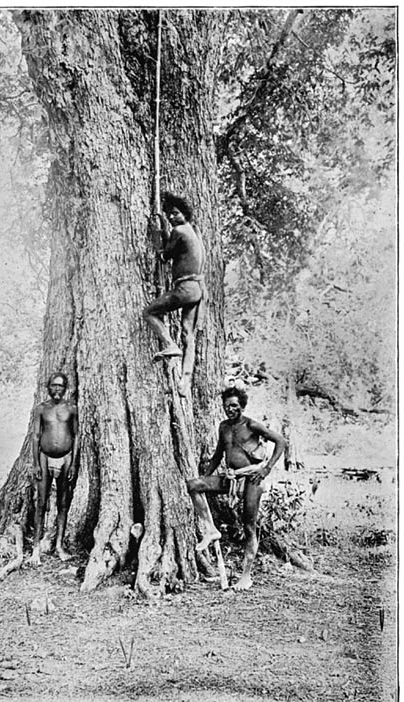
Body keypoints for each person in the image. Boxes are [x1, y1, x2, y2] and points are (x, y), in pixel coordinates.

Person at [188, 387, 286, 591]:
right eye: (226, 406)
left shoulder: (251, 425)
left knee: (248, 524)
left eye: (234, 405)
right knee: (194, 485)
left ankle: (246, 576)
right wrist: (207, 475)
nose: (230, 409)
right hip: (231, 478)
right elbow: (217, 454)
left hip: (252, 478)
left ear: (241, 406)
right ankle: (211, 530)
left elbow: (280, 441)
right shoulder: (223, 426)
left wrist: (267, 469)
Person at [143, 192, 206, 397]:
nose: (172, 217)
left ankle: (169, 344)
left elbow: (164, 256)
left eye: (176, 213)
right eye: (169, 214)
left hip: (185, 289)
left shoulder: (179, 230)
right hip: (197, 290)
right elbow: (176, 248)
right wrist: (165, 228)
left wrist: (156, 234)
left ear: (184, 214)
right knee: (188, 335)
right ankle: (185, 381)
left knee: (149, 312)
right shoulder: (192, 231)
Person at [30, 372, 79, 565]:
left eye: (60, 386)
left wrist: (74, 462)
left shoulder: (72, 409)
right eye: (53, 386)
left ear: (65, 388)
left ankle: (59, 545)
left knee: (63, 502)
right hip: (44, 457)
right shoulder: (41, 409)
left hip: (66, 459)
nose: (57, 389)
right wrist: (35, 463)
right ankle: (35, 549)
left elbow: (75, 436)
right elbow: (35, 436)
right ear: (48, 387)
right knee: (41, 503)